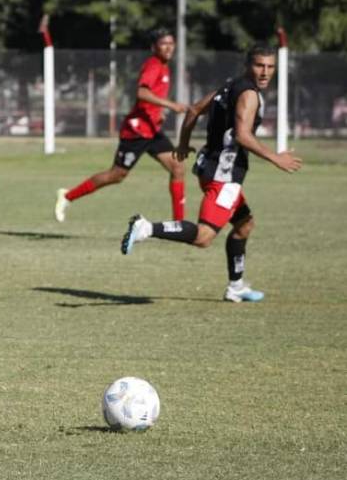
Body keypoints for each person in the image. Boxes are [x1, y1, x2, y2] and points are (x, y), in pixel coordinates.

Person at [120, 44, 302, 302]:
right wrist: (276, 158)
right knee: (204, 237)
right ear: (248, 65)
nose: (265, 72)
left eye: (270, 66)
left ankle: (236, 286)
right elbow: (242, 135)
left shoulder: (230, 85)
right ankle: (147, 228)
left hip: (210, 167)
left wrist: (183, 143)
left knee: (244, 224)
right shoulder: (249, 95)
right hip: (224, 175)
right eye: (260, 65)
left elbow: (194, 110)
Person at [55, 28, 188, 223]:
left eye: (171, 43)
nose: (169, 47)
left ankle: (179, 224)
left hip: (152, 129)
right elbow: (142, 93)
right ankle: (67, 196)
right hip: (137, 131)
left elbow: (150, 99)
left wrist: (159, 112)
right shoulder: (153, 65)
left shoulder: (164, 66)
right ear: (154, 47)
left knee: (178, 167)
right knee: (116, 175)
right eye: (163, 43)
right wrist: (171, 105)